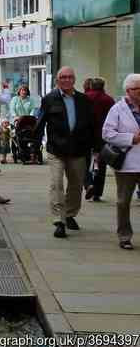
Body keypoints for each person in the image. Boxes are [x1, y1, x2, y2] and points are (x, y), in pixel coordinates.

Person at [35, 66, 94, 239]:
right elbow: (40, 122)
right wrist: (35, 143)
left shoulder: (84, 100)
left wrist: (94, 146)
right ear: (57, 80)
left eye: (70, 77)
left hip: (78, 150)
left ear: (74, 80)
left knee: (75, 185)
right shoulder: (49, 99)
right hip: (56, 149)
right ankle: (58, 220)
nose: (66, 80)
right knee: (56, 183)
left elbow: (91, 125)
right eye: (63, 77)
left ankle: (69, 214)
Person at [101, 74, 140, 250]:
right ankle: (124, 236)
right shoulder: (117, 109)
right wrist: (131, 138)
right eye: (138, 89)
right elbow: (107, 134)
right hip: (127, 163)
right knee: (123, 201)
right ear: (128, 91)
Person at [84, 77, 114, 202]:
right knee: (101, 165)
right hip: (103, 138)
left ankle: (88, 184)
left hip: (86, 136)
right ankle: (97, 193)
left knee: (84, 163)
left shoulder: (85, 98)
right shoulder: (109, 99)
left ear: (91, 85)